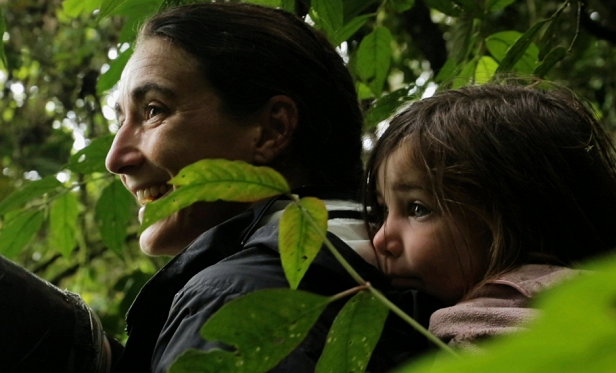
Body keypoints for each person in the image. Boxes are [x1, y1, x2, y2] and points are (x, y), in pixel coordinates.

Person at [103, 2, 435, 373]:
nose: (115, 159)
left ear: (272, 130)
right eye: (119, 121)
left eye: (153, 110)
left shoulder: (236, 299)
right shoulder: (431, 271)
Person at [362, 83, 616, 350]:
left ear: (514, 217)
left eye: (417, 208)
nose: (380, 239)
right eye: (384, 210)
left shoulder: (486, 328)